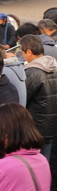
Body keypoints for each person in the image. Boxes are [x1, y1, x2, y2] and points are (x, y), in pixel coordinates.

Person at [21, 34, 57, 162]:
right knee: (45, 162)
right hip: (51, 125)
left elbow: (23, 100)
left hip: (35, 128)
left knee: (32, 163)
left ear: (29, 51)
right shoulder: (54, 66)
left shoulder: (32, 73)